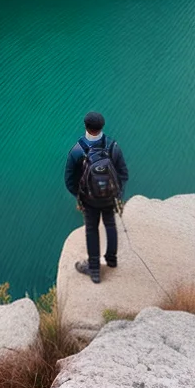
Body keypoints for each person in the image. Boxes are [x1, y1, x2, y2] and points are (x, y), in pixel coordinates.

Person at [64, 111, 129, 283]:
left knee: (91, 230)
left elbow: (69, 180)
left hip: (89, 200)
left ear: (86, 126)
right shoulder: (112, 146)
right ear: (102, 127)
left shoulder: (77, 151)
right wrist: (117, 194)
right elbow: (123, 173)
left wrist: (80, 197)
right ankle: (112, 260)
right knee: (110, 224)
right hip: (109, 197)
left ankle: (94, 270)